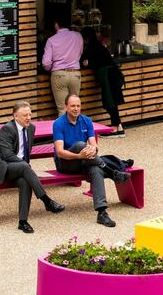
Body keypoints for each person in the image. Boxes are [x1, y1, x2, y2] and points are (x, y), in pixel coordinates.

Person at [0, 101, 65, 234]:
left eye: (30, 114)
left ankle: (23, 222)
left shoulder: (31, 128)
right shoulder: (7, 129)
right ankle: (47, 201)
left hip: (19, 168)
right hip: (0, 169)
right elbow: (7, 155)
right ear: (15, 116)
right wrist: (25, 166)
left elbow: (25, 153)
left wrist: (25, 167)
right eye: (24, 115)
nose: (28, 118)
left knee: (25, 181)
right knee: (24, 167)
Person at [52, 94, 132, 228]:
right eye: (72, 106)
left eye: (78, 105)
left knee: (96, 169)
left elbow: (94, 145)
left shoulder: (86, 121)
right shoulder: (59, 123)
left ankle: (102, 212)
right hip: (66, 163)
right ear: (66, 107)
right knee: (79, 145)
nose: (76, 109)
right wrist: (79, 156)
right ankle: (111, 172)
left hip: (85, 160)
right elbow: (60, 152)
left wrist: (92, 151)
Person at [81, 27, 126, 138]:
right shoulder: (98, 45)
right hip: (114, 74)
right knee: (112, 102)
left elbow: (84, 61)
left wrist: (86, 63)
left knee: (110, 102)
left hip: (108, 75)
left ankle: (115, 128)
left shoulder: (91, 47)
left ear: (86, 38)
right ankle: (119, 127)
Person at [42, 16, 84, 116]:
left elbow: (46, 63)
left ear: (56, 25)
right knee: (75, 107)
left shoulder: (51, 40)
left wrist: (49, 68)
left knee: (63, 108)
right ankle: (76, 131)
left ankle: (65, 132)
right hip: (75, 75)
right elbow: (80, 53)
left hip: (59, 75)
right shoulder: (78, 36)